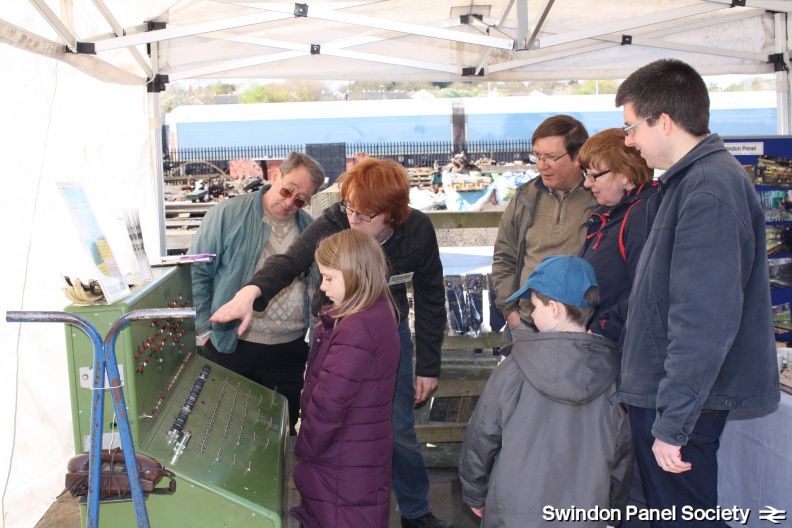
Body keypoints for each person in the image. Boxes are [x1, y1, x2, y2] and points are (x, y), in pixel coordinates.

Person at [211, 157, 452, 528]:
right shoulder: (337, 219)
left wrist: (428, 366)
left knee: (398, 426)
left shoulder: (417, 231)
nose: (352, 219)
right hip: (335, 328)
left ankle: (415, 510)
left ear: (393, 214)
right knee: (333, 416)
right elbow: (290, 261)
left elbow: (433, 295)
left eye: (364, 214)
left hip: (391, 331)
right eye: (349, 207)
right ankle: (329, 502)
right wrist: (251, 292)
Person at [616, 58, 779, 524]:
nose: (628, 141)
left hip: (682, 401)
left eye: (631, 128)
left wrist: (673, 422)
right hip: (670, 394)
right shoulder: (688, 183)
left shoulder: (707, 190)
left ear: (662, 121)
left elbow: (702, 321)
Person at [459, 255, 632, 527]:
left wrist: (474, 492)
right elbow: (622, 451)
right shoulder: (613, 375)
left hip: (513, 515)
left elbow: (481, 436)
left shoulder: (513, 368)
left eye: (534, 305)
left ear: (554, 308)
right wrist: (614, 508)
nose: (530, 312)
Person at [188, 151, 325, 436]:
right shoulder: (226, 214)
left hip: (289, 350)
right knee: (225, 431)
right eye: (288, 190)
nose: (290, 203)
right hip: (232, 344)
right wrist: (203, 328)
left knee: (282, 434)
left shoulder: (309, 227)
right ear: (275, 176)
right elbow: (197, 271)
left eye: (301, 200)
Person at [291, 229, 400, 528]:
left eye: (328, 277)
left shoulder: (355, 328)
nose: (323, 287)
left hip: (340, 464)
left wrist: (304, 447)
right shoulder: (378, 312)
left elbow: (330, 403)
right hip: (359, 456)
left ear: (354, 274)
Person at [492, 115, 598, 344]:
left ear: (578, 157)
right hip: (526, 326)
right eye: (537, 156)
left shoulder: (599, 199)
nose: (541, 165)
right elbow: (504, 258)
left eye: (550, 157)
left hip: (582, 329)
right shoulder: (523, 199)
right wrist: (513, 317)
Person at [578, 128, 657, 342]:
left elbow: (647, 293)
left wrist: (600, 331)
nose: (587, 183)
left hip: (618, 345)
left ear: (625, 174)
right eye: (586, 174)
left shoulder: (640, 215)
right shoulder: (609, 214)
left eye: (594, 175)